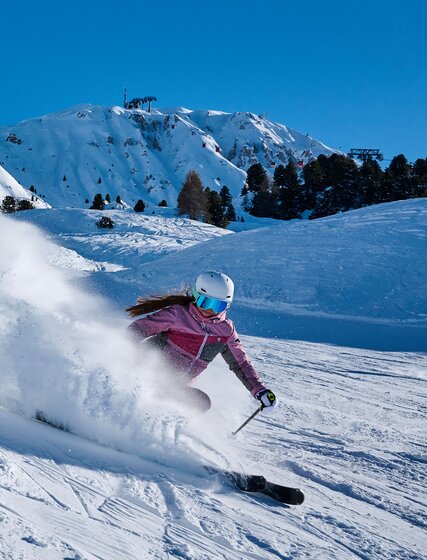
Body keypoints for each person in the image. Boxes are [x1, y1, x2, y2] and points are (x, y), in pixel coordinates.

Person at [126, 271, 277, 414]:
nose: (210, 310)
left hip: (177, 387)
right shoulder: (177, 315)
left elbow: (241, 364)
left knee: (202, 403)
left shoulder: (225, 331)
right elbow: (138, 329)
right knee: (148, 395)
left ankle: (166, 431)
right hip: (149, 374)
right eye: (206, 302)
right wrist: (124, 355)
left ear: (227, 305)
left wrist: (260, 390)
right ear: (197, 296)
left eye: (218, 305)